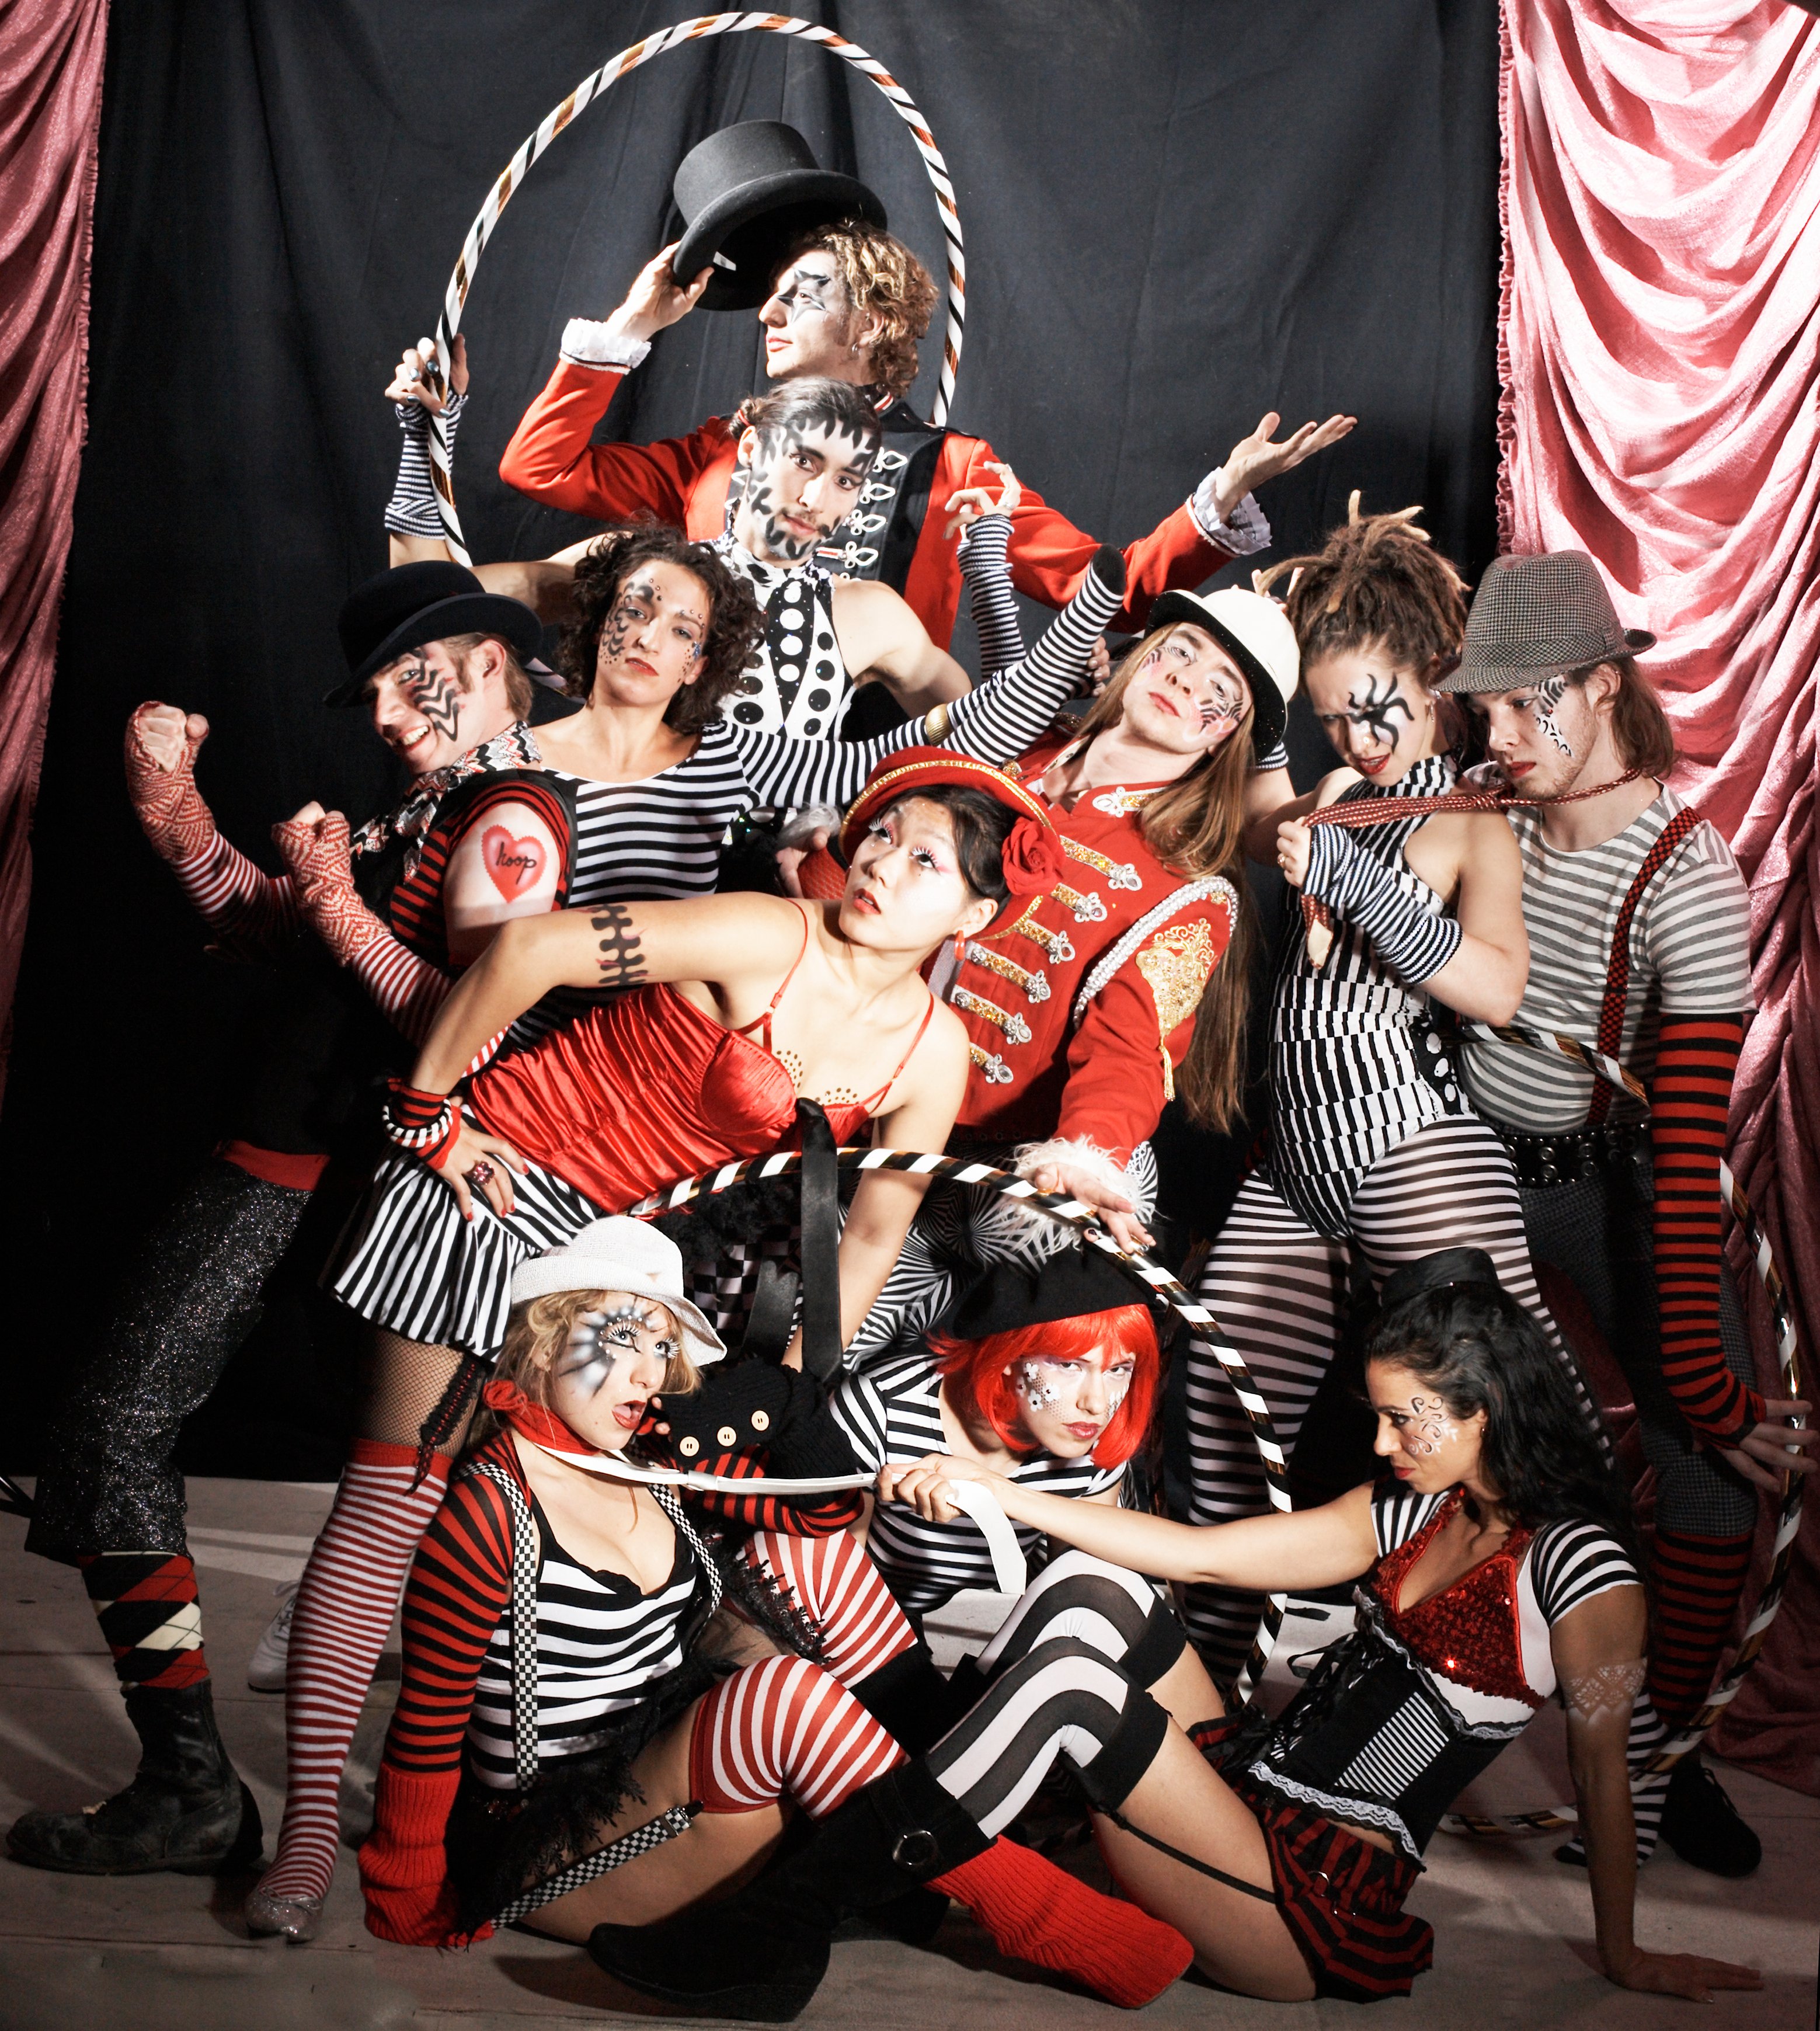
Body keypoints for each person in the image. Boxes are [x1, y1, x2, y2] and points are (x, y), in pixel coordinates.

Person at [245, 749, 1081, 1932]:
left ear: (977, 913)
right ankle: (304, 1839)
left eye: (926, 861)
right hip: (498, 1184)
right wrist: (426, 1113)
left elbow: (868, 1229)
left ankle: (483, 1806)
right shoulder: (765, 931)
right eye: (883, 837)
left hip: (620, 1270)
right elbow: (529, 952)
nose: (883, 865)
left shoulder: (930, 1050)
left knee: (552, 1527)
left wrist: (798, 1383)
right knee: (397, 1497)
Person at [597, 1250, 1765, 2014]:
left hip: (1300, 1903)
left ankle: (785, 1924)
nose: (1378, 1443)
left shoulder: (1580, 1569)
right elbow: (1196, 1554)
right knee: (1089, 1591)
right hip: (1249, 1798)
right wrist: (996, 1489)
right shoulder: (1413, 1506)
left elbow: (1604, 1778)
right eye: (1375, 1416)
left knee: (1068, 1681)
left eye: (1403, 1418)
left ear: (1485, 1407)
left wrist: (1623, 1953)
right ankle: (920, 1847)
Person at [5, 562, 562, 1880]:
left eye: (406, 682)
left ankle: (224, 1786)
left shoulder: (510, 816)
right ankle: (200, 1780)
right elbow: (277, 932)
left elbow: (463, 1025)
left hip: (334, 1174)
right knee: (117, 1436)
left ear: (487, 660)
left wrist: (331, 898)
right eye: (372, 692)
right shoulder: (431, 805)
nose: (384, 715)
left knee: (139, 1432)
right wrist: (178, 816)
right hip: (283, 1156)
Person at [353, 1216, 1189, 2012]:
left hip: (667, 1790)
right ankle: (1030, 1905)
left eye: (661, 1346)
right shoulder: (486, 1514)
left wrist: (784, 1404)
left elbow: (822, 1517)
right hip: (557, 1854)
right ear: (542, 1339)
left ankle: (934, 1820)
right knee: (781, 1694)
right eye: (621, 1337)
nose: (648, 1374)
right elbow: (427, 1722)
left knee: (811, 1562)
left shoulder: (650, 1462)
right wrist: (405, 1891)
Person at [1439, 551, 1816, 1876]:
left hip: (1609, 1178)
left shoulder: (1685, 876)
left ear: (1602, 686)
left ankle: (1661, 1754)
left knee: (1712, 1465)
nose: (1494, 732)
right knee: (1449, 1438)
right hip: (1459, 1166)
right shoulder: (1473, 812)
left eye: (1520, 701)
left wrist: (1705, 1385)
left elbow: (1684, 1151)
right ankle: (1394, 1717)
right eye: (1481, 705)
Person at [1179, 503, 1572, 1685]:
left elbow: (1496, 987)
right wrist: (1260, 686)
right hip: (1295, 1165)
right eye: (1331, 713)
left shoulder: (1470, 814)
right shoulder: (1333, 799)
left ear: (1432, 675)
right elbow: (1259, 816)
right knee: (1221, 1406)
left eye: (1374, 704)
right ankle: (1209, 1684)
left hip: (1410, 1150)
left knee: (1516, 1425)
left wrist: (1358, 882)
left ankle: (1630, 1722)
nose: (1356, 734)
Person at [833, 582, 1299, 1377]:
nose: (1184, 680)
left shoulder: (1188, 886)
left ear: (1225, 734)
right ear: (1141, 655)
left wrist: (1085, 1158)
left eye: (1218, 688)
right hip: (879, 1106)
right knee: (813, 1333)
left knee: (989, 1348)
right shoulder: (1012, 747)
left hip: (1013, 1166)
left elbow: (1132, 1048)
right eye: (1179, 651)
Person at [493, 218, 1353, 648]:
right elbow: (540, 467)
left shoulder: (957, 469)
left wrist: (1223, 496)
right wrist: (632, 326)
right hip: (685, 755)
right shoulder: (722, 446)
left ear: (870, 323)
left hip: (853, 791)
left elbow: (1115, 594)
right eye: (771, 298)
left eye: (800, 296)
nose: (766, 314)